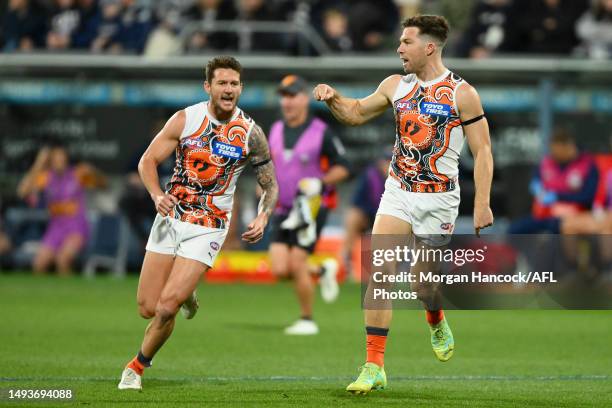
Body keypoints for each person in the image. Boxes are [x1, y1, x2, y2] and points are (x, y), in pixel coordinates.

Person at [314, 15, 494, 393]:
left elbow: (483, 151)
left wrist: (483, 204)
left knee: (422, 285)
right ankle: (373, 365)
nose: (399, 48)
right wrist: (334, 100)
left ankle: (435, 316)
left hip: (439, 200)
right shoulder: (395, 85)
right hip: (397, 191)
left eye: (406, 42)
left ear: (429, 46)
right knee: (378, 272)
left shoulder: (462, 93)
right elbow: (356, 112)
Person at [117, 56, 278, 391]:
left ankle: (136, 366)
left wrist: (263, 214)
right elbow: (148, 160)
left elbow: (270, 184)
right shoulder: (185, 119)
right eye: (222, 83)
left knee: (166, 307)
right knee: (147, 308)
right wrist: (156, 194)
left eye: (234, 83)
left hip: (209, 225)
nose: (229, 89)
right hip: (171, 217)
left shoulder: (250, 133)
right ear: (208, 87)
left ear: (240, 88)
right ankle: (189, 295)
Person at [268, 74, 350, 335]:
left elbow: (345, 166)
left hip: (311, 206)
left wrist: (321, 182)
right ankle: (323, 269)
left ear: (304, 98)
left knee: (296, 261)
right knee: (280, 268)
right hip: (283, 208)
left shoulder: (320, 131)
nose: (287, 101)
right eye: (284, 96)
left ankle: (307, 319)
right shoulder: (276, 130)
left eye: (292, 95)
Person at [17, 143, 107, 275]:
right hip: (55, 227)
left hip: (76, 226)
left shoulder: (78, 174)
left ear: (66, 159)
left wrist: (94, 172)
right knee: (39, 264)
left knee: (62, 259)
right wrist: (39, 163)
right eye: (55, 158)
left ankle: (71, 292)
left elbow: (103, 184)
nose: (59, 161)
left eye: (61, 157)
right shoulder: (47, 177)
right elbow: (22, 191)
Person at [508, 129, 599, 234]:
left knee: (556, 232)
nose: (554, 154)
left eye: (558, 151)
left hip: (573, 215)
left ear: (569, 147)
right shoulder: (547, 162)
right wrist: (536, 187)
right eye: (553, 150)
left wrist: (558, 197)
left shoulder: (587, 165)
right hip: (545, 213)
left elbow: (588, 197)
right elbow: (536, 181)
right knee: (514, 230)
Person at [342, 150, 391, 278]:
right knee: (353, 217)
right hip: (370, 215)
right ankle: (346, 264)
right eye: (387, 162)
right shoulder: (370, 176)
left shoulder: (403, 179)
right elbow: (357, 203)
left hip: (390, 219)